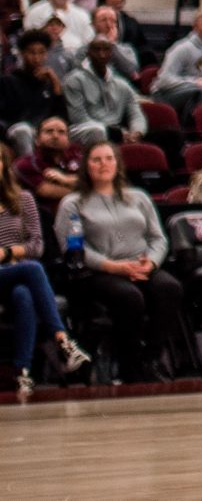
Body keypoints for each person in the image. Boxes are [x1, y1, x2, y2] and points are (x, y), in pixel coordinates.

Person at [58, 141, 186, 380]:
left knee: (170, 288)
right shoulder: (73, 203)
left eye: (109, 158)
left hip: (140, 265)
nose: (103, 164)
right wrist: (112, 266)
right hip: (98, 272)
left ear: (118, 164)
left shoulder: (139, 197)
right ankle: (130, 364)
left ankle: (152, 358)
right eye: (96, 159)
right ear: (86, 166)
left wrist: (152, 263)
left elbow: (159, 238)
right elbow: (72, 248)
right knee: (130, 297)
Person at [0, 156, 89, 397]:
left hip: (14, 274)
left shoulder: (23, 199)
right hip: (20, 269)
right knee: (33, 269)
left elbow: (37, 246)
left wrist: (6, 253)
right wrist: (14, 255)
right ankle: (63, 341)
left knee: (24, 295)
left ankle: (23, 373)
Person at [152, 4, 202, 111]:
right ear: (195, 27)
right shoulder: (182, 48)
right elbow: (164, 80)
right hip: (165, 94)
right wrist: (195, 82)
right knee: (200, 91)